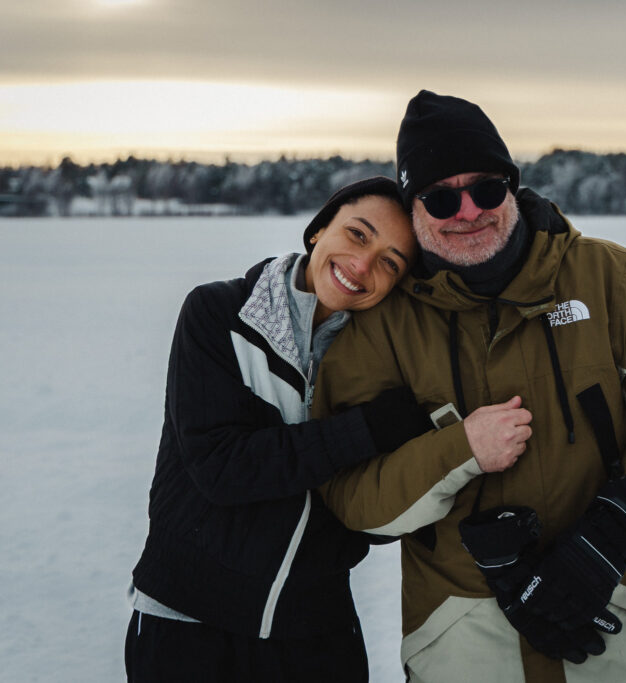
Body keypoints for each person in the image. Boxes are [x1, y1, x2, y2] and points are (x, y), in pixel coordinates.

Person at [312, 91, 626, 682]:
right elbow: (354, 498)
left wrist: (611, 535)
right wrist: (460, 450)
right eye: (440, 198)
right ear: (413, 209)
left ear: (511, 187)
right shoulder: (382, 326)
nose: (468, 212)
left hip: (622, 614)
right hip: (460, 637)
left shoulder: (611, 278)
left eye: (486, 189)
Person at [124, 177, 436, 682]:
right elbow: (221, 467)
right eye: (357, 234)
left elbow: (371, 507)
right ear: (318, 230)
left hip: (314, 632)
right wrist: (363, 432)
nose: (362, 265)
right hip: (188, 625)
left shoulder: (384, 364)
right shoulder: (218, 314)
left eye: (390, 262)